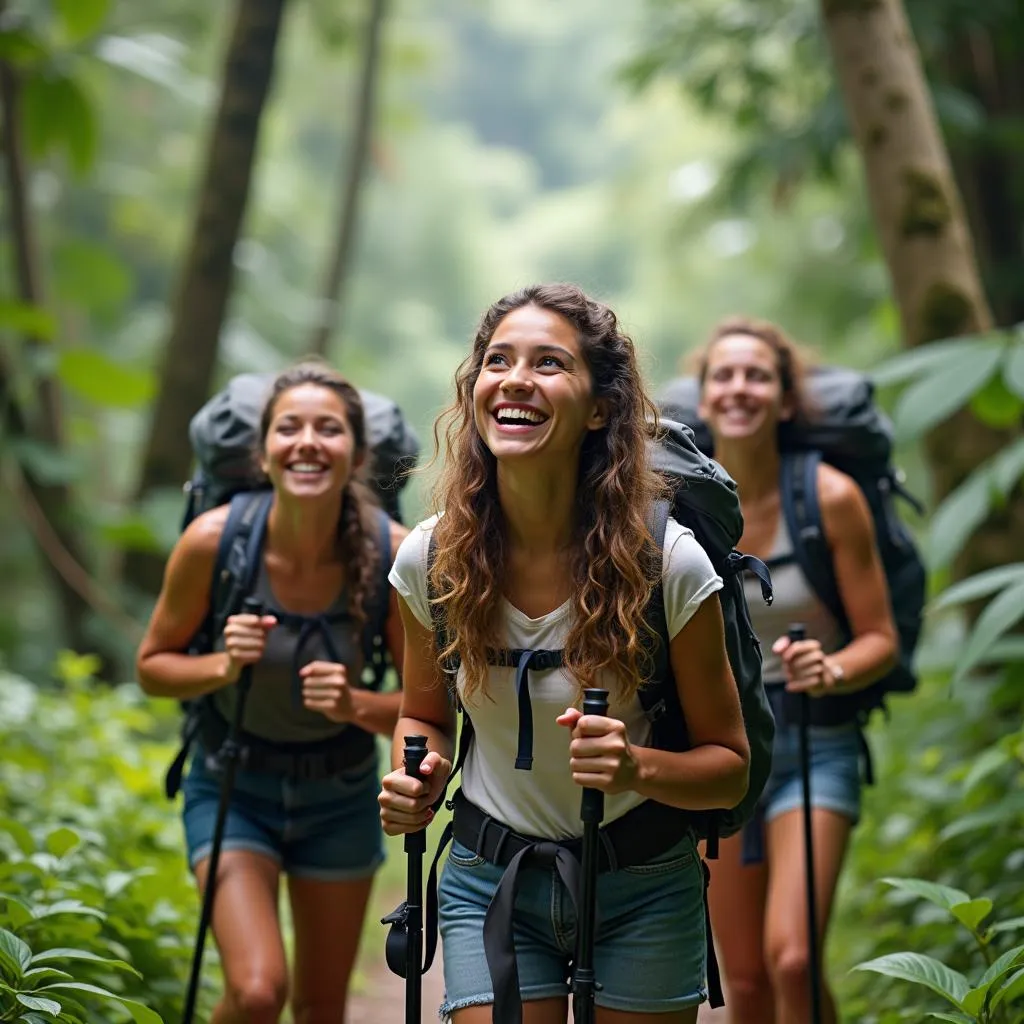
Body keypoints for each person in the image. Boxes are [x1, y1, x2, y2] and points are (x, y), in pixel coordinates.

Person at [378, 283, 751, 1024]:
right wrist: (413, 776)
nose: (515, 379)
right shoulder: (430, 559)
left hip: (642, 881)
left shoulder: (667, 563)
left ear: (601, 406)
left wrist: (636, 767)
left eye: (549, 364)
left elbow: (729, 770)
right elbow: (423, 714)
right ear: (476, 389)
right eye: (497, 361)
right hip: (491, 879)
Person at [136, 363, 407, 1024]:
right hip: (233, 787)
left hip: (340, 797)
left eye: (328, 429)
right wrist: (222, 665)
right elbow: (153, 666)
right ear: (263, 453)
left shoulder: (395, 554)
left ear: (358, 453)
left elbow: (428, 705)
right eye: (289, 427)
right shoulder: (213, 541)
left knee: (321, 1008)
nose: (307, 442)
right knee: (257, 990)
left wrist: (353, 705)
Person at [693, 317, 899, 1024]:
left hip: (817, 742)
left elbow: (880, 637)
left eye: (757, 375)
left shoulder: (831, 497)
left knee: (794, 960)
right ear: (706, 396)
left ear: (783, 400)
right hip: (725, 754)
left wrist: (832, 668)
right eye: (725, 375)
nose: (739, 388)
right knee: (744, 980)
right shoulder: (681, 510)